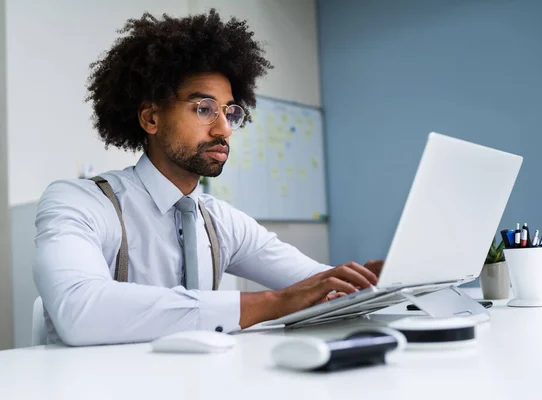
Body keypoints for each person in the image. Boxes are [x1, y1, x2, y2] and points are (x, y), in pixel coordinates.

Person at [33, 10, 383, 346]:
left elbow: (314, 284)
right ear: (151, 118)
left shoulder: (220, 221)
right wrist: (274, 302)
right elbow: (79, 309)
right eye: (204, 109)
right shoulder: (80, 201)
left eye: (230, 112)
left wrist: (373, 283)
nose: (223, 129)